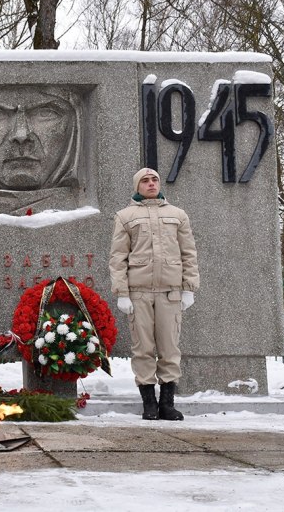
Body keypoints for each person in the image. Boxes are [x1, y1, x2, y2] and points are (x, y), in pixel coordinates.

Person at [109, 168, 199, 420]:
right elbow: (118, 258)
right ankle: (149, 403)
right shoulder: (125, 216)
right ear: (137, 186)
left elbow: (188, 254)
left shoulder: (177, 215)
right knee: (143, 348)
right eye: (145, 181)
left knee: (170, 348)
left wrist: (189, 288)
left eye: (154, 180)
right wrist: (122, 293)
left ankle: (167, 404)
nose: (151, 184)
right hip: (138, 294)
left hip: (170, 292)